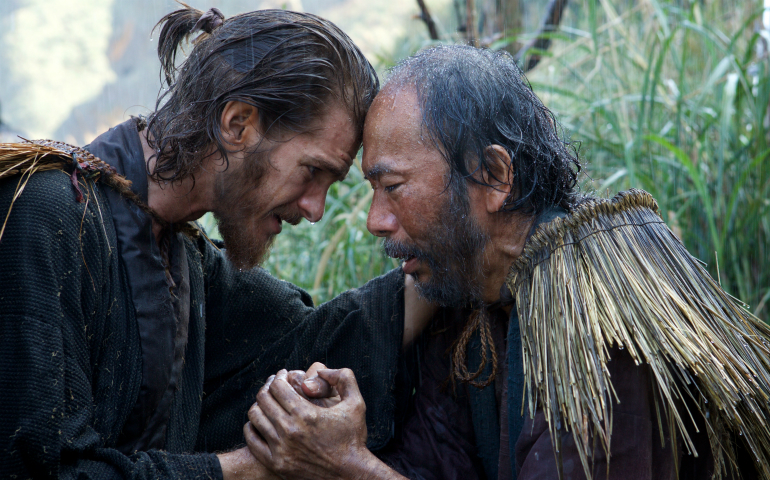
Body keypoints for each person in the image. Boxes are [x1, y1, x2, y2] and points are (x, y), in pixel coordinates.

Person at [246, 45, 770, 480]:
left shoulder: (599, 320)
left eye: (393, 187)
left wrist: (348, 468)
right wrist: (333, 430)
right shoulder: (471, 294)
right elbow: (429, 465)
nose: (376, 220)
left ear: (494, 176)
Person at [0, 6, 434, 480]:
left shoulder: (183, 254)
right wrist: (248, 467)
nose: (315, 209)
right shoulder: (43, 213)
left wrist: (445, 253)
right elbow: (41, 468)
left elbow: (312, 339)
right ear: (238, 125)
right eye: (312, 172)